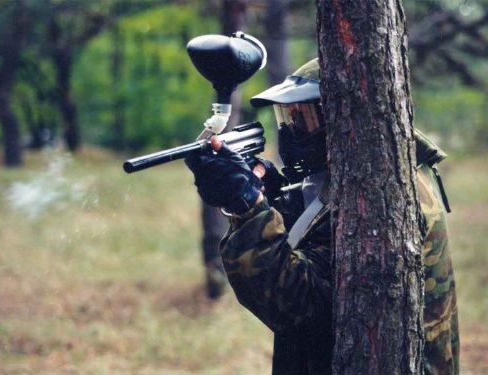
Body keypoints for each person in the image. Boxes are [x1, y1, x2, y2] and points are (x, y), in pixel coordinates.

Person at [185, 58, 459, 374]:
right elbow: (319, 237)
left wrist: (249, 209)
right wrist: (275, 198)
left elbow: (294, 305)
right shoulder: (389, 169)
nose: (292, 131)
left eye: (306, 119)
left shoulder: (379, 192)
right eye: (289, 118)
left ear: (347, 121)